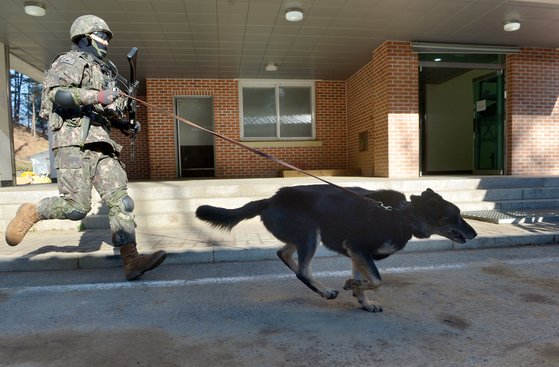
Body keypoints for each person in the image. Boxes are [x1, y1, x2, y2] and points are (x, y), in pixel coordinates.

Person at [5, 15, 166, 281]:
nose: (106, 43)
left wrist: (126, 124)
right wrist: (98, 96)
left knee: (121, 201)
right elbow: (59, 94)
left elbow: (108, 110)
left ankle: (131, 260)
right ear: (84, 38)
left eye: (107, 38)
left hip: (102, 145)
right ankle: (33, 211)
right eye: (101, 36)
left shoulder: (103, 73)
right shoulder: (70, 61)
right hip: (73, 143)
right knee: (76, 208)